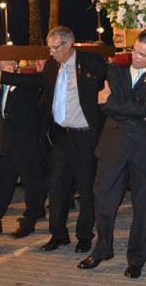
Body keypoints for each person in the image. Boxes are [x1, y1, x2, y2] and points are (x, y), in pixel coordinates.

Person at [78, 28, 146, 279]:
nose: (136, 57)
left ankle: (136, 258)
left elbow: (142, 105)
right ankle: (102, 250)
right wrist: (139, 113)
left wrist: (113, 104)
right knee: (104, 202)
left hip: (145, 151)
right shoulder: (116, 71)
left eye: (143, 55)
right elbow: (113, 105)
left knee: (144, 206)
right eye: (135, 51)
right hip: (113, 146)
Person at [38, 26, 107, 254]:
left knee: (86, 189)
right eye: (49, 48)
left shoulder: (90, 62)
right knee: (56, 187)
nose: (51, 53)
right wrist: (5, 76)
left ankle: (85, 236)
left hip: (85, 136)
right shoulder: (51, 66)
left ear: (69, 44)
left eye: (55, 48)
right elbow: (38, 86)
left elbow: (106, 80)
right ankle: (58, 235)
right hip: (60, 136)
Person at [0, 60, 45, 238]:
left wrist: (8, 76)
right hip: (5, 146)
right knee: (3, 185)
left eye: (4, 63)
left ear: (14, 65)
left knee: (30, 185)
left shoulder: (28, 86)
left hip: (25, 146)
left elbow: (35, 81)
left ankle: (29, 221)